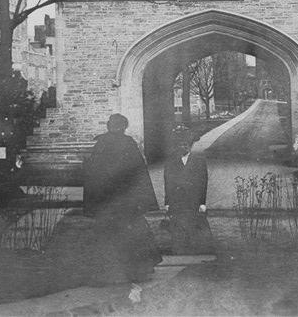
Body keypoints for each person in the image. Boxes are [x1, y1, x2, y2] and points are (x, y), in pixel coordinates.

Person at [82, 113, 162, 288]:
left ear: (109, 126)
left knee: (107, 236)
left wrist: (93, 203)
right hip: (125, 202)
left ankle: (108, 275)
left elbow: (92, 175)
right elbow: (139, 174)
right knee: (131, 234)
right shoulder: (128, 144)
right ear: (123, 127)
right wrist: (143, 200)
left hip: (107, 203)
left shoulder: (100, 145)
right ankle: (136, 272)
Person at [164, 129, 214, 254]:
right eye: (180, 144)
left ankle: (196, 248)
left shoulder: (199, 161)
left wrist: (202, 202)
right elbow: (168, 182)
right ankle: (178, 248)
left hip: (193, 198)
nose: (183, 147)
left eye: (186, 144)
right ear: (177, 145)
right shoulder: (171, 161)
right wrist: (167, 202)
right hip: (177, 198)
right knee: (177, 224)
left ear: (190, 146)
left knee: (194, 222)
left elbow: (203, 182)